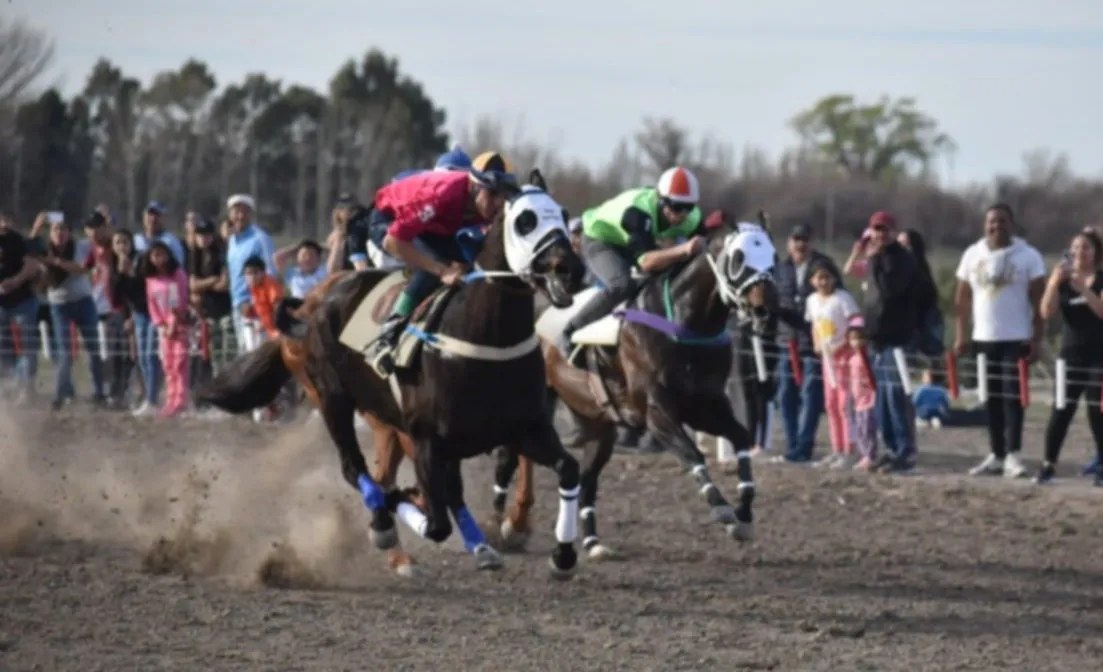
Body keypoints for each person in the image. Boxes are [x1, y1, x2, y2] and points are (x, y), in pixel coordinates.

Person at [363, 151, 519, 377]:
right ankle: (388, 335)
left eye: (503, 195)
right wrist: (442, 271)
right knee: (435, 266)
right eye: (493, 194)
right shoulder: (442, 194)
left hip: (435, 225)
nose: (498, 203)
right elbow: (394, 242)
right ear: (474, 186)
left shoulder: (482, 202)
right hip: (388, 221)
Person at [554, 166, 704, 357]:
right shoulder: (638, 213)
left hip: (628, 241)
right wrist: (682, 249)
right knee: (622, 284)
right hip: (599, 238)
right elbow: (647, 262)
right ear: (660, 200)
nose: (682, 215)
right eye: (676, 207)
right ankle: (569, 331)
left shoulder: (692, 218)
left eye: (688, 207)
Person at [954, 203, 1045, 479]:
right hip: (983, 338)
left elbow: (1039, 299)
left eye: (1002, 221)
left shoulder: (1028, 256)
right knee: (990, 398)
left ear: (1012, 223)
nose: (997, 226)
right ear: (985, 225)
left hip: (1016, 337)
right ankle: (996, 454)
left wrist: (1037, 338)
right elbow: (962, 298)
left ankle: (1014, 455)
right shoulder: (973, 254)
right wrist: (961, 334)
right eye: (992, 222)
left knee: (1013, 397)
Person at [1036, 228, 1103, 485]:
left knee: (1097, 411)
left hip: (1098, 354)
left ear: (1095, 253)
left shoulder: (1100, 279)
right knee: (1061, 409)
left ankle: (1101, 466)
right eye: (1076, 248)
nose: (1080, 253)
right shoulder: (1062, 281)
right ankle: (1048, 464)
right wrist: (1053, 283)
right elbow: (1045, 312)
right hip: (1070, 354)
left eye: (1086, 248)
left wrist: (1084, 290)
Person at [772, 224, 840, 464]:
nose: (800, 244)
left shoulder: (824, 265)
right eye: (796, 239)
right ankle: (792, 446)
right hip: (786, 340)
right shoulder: (780, 269)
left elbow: (836, 298)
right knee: (785, 395)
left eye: (804, 238)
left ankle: (804, 445)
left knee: (811, 396)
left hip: (814, 342)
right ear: (789, 242)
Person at [857, 211, 918, 473]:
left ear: (892, 232)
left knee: (895, 396)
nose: (879, 235)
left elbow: (887, 291)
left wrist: (872, 261)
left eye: (883, 230)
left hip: (897, 339)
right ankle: (891, 448)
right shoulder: (876, 259)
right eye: (875, 229)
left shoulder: (901, 259)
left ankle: (905, 451)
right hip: (876, 340)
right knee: (880, 398)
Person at [43, 214, 105, 410]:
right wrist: (39, 221)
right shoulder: (43, 250)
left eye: (63, 229)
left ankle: (99, 391)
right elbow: (29, 245)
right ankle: (61, 393)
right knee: (65, 352)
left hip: (84, 301)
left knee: (94, 348)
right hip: (59, 305)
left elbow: (81, 268)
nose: (59, 233)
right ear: (49, 232)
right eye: (55, 229)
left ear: (69, 232)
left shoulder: (81, 247)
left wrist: (57, 262)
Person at [805, 260, 860, 469]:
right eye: (819, 277)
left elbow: (855, 323)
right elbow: (814, 326)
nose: (823, 282)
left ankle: (850, 448)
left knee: (845, 403)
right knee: (830, 404)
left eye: (827, 277)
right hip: (826, 358)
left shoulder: (843, 299)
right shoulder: (811, 301)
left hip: (843, 356)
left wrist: (845, 344)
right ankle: (836, 448)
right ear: (812, 281)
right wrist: (816, 344)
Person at [224, 194, 276, 355]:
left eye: (244, 212)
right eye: (236, 212)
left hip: (255, 306)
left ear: (251, 215)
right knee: (244, 353)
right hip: (237, 304)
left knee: (256, 355)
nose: (240, 216)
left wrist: (256, 303)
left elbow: (271, 273)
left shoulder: (260, 238)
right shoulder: (232, 240)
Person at [144, 241, 190, 417]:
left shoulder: (176, 274)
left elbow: (178, 300)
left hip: (179, 325)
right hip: (163, 329)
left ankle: (181, 400)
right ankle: (171, 399)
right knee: (168, 365)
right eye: (155, 255)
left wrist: (173, 322)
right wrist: (160, 324)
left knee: (180, 363)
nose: (159, 258)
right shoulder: (150, 279)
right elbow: (151, 303)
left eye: (162, 254)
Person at [0, 212, 42, 404]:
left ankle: (27, 388)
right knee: (3, 348)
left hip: (22, 301)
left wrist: (15, 282)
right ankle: (7, 389)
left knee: (27, 345)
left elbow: (31, 265)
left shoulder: (16, 240)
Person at [107, 228, 141, 410]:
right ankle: (115, 394)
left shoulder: (139, 262)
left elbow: (140, 292)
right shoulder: (112, 265)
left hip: (135, 315)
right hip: (116, 315)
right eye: (117, 242)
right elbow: (114, 297)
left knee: (132, 357)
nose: (121, 246)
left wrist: (130, 273)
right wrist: (119, 274)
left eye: (125, 242)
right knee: (116, 356)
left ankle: (131, 393)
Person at [844, 316, 879, 471]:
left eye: (859, 338)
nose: (856, 342)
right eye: (853, 339)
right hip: (856, 399)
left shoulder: (868, 358)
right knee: (859, 428)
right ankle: (864, 454)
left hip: (868, 399)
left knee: (867, 428)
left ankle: (870, 455)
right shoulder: (852, 359)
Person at [242, 255, 285, 340]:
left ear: (263, 272)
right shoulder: (253, 288)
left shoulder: (270, 284)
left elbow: (279, 307)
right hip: (270, 332)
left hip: (280, 331)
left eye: (255, 272)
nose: (252, 277)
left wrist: (279, 329)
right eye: (248, 273)